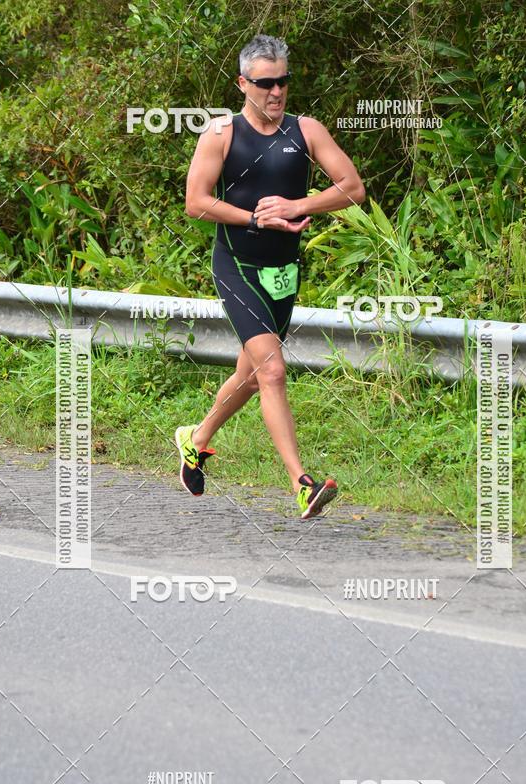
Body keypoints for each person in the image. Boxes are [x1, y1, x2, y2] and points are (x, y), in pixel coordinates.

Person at [177, 33, 365, 519]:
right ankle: (301, 483)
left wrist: (299, 205)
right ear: (243, 83)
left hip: (284, 271)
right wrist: (255, 218)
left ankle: (196, 439)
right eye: (264, 83)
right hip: (237, 265)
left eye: (282, 81)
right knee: (273, 370)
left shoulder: (307, 131)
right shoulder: (221, 134)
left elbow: (352, 188)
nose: (276, 92)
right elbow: (196, 203)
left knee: (251, 373)